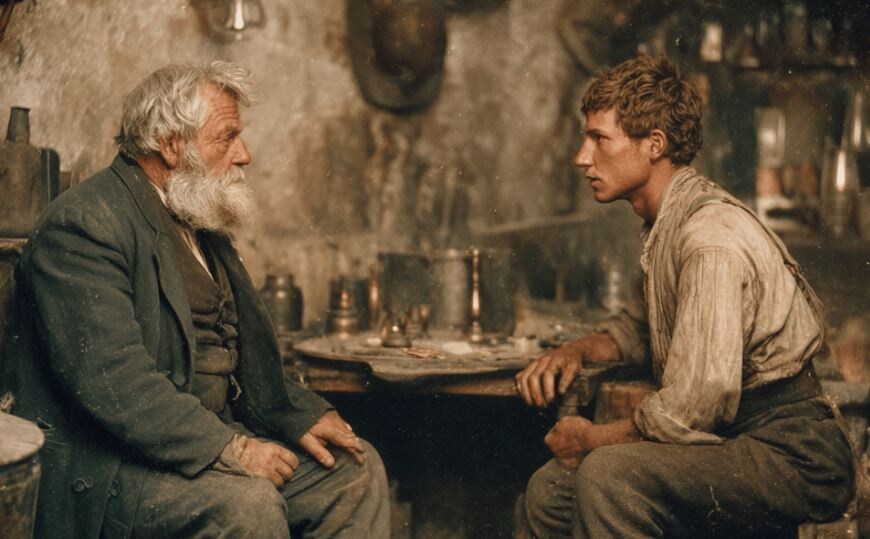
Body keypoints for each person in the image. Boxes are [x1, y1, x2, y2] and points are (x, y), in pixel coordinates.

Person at [0, 62, 390, 538]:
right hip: (116, 468)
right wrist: (233, 450)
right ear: (171, 145)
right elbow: (118, 385)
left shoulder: (195, 214)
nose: (244, 155)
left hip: (204, 440)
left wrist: (301, 414)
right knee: (248, 506)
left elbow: (239, 351)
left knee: (355, 474)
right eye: (227, 138)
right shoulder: (85, 223)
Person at [514, 54, 855, 537]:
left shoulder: (709, 238)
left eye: (599, 139)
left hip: (792, 454)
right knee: (551, 492)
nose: (581, 157)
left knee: (608, 476)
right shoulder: (668, 224)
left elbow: (694, 406)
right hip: (735, 440)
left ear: (654, 144)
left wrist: (591, 438)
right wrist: (574, 351)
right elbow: (636, 328)